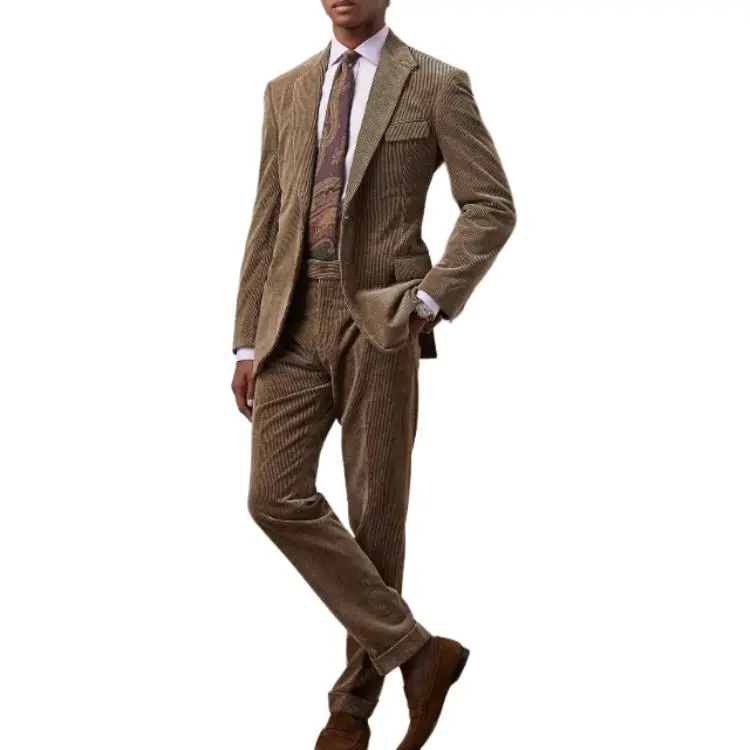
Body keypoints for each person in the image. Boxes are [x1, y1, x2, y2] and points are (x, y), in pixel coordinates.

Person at [231, 1, 516, 747]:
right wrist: (246, 343)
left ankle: (352, 708)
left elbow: (490, 205)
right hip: (291, 317)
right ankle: (418, 652)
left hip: (383, 319)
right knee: (274, 497)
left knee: (377, 513)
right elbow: (267, 219)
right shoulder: (286, 90)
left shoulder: (436, 83)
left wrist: (431, 299)